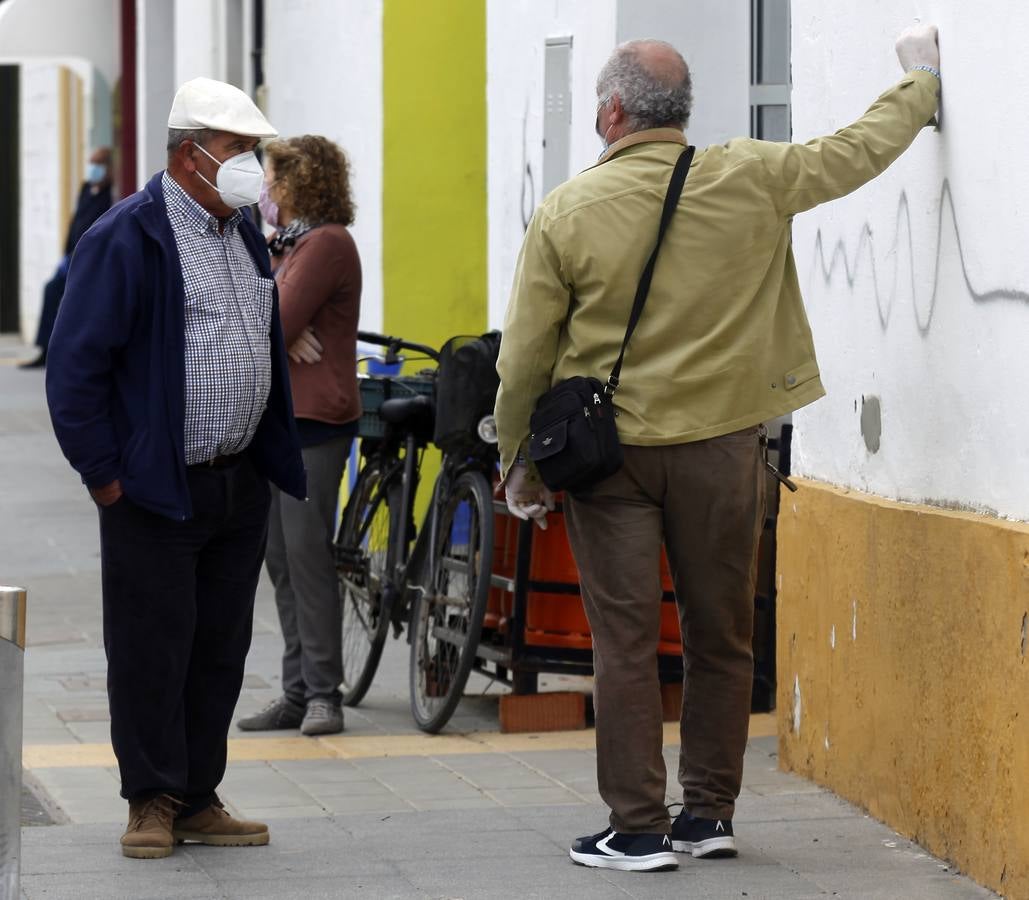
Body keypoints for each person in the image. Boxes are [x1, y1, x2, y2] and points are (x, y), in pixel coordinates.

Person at [495, 26, 941, 873]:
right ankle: (705, 816)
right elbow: (856, 152)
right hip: (722, 451)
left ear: (610, 113)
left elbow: (524, 355)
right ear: (682, 112)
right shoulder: (752, 176)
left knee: (624, 644)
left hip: (610, 459)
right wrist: (920, 82)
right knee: (720, 637)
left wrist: (516, 457)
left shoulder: (566, 211)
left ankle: (634, 828)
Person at [45, 77, 306, 860]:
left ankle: (197, 793)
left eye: (253, 151)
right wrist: (107, 478)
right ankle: (149, 800)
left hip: (236, 479)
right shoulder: (130, 233)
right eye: (235, 150)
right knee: (151, 646)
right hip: (155, 487)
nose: (250, 166)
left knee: (219, 647)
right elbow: (75, 367)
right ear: (189, 154)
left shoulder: (245, 232)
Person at [236, 135, 362, 737]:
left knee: (307, 559)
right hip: (281, 420)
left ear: (295, 184)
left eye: (271, 178)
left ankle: (323, 695)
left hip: (315, 422)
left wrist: (279, 327)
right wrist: (275, 325)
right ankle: (295, 689)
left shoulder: (325, 244)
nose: (264, 189)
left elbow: (270, 320)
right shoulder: (287, 246)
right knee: (280, 560)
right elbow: (247, 311)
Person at [20, 146, 113, 369]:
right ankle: (46, 349)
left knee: (69, 301)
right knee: (51, 291)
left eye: (98, 164)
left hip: (90, 262)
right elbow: (76, 223)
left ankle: (63, 353)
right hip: (71, 258)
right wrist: (66, 254)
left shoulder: (109, 195)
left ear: (108, 167)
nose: (94, 169)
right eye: (92, 163)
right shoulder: (86, 189)